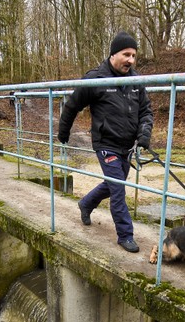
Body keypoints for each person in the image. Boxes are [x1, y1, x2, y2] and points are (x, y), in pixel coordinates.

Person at [58, 31, 154, 253]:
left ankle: (86, 203)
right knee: (118, 188)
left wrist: (144, 135)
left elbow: (146, 112)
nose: (130, 60)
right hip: (105, 144)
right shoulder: (96, 78)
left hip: (127, 145)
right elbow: (72, 105)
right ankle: (125, 235)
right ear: (113, 55)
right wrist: (64, 132)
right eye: (126, 54)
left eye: (134, 55)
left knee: (113, 184)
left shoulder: (136, 81)